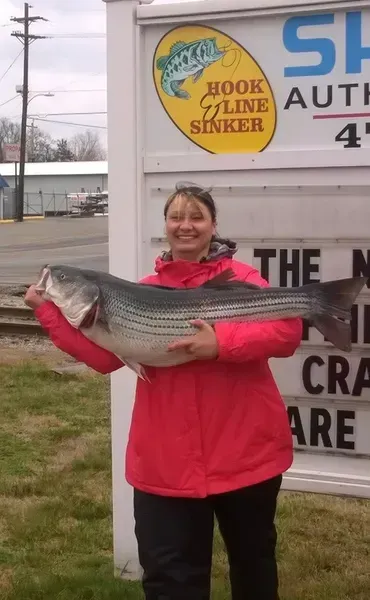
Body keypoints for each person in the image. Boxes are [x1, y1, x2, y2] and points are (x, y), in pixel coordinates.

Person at [25, 182, 303, 600]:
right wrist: (48, 310)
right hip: (166, 461)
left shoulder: (242, 280)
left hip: (246, 451)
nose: (185, 226)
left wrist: (220, 346)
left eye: (196, 217)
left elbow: (286, 331)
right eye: (176, 217)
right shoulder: (141, 289)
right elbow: (105, 359)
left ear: (213, 226)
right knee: (170, 579)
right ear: (166, 226)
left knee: (253, 565)